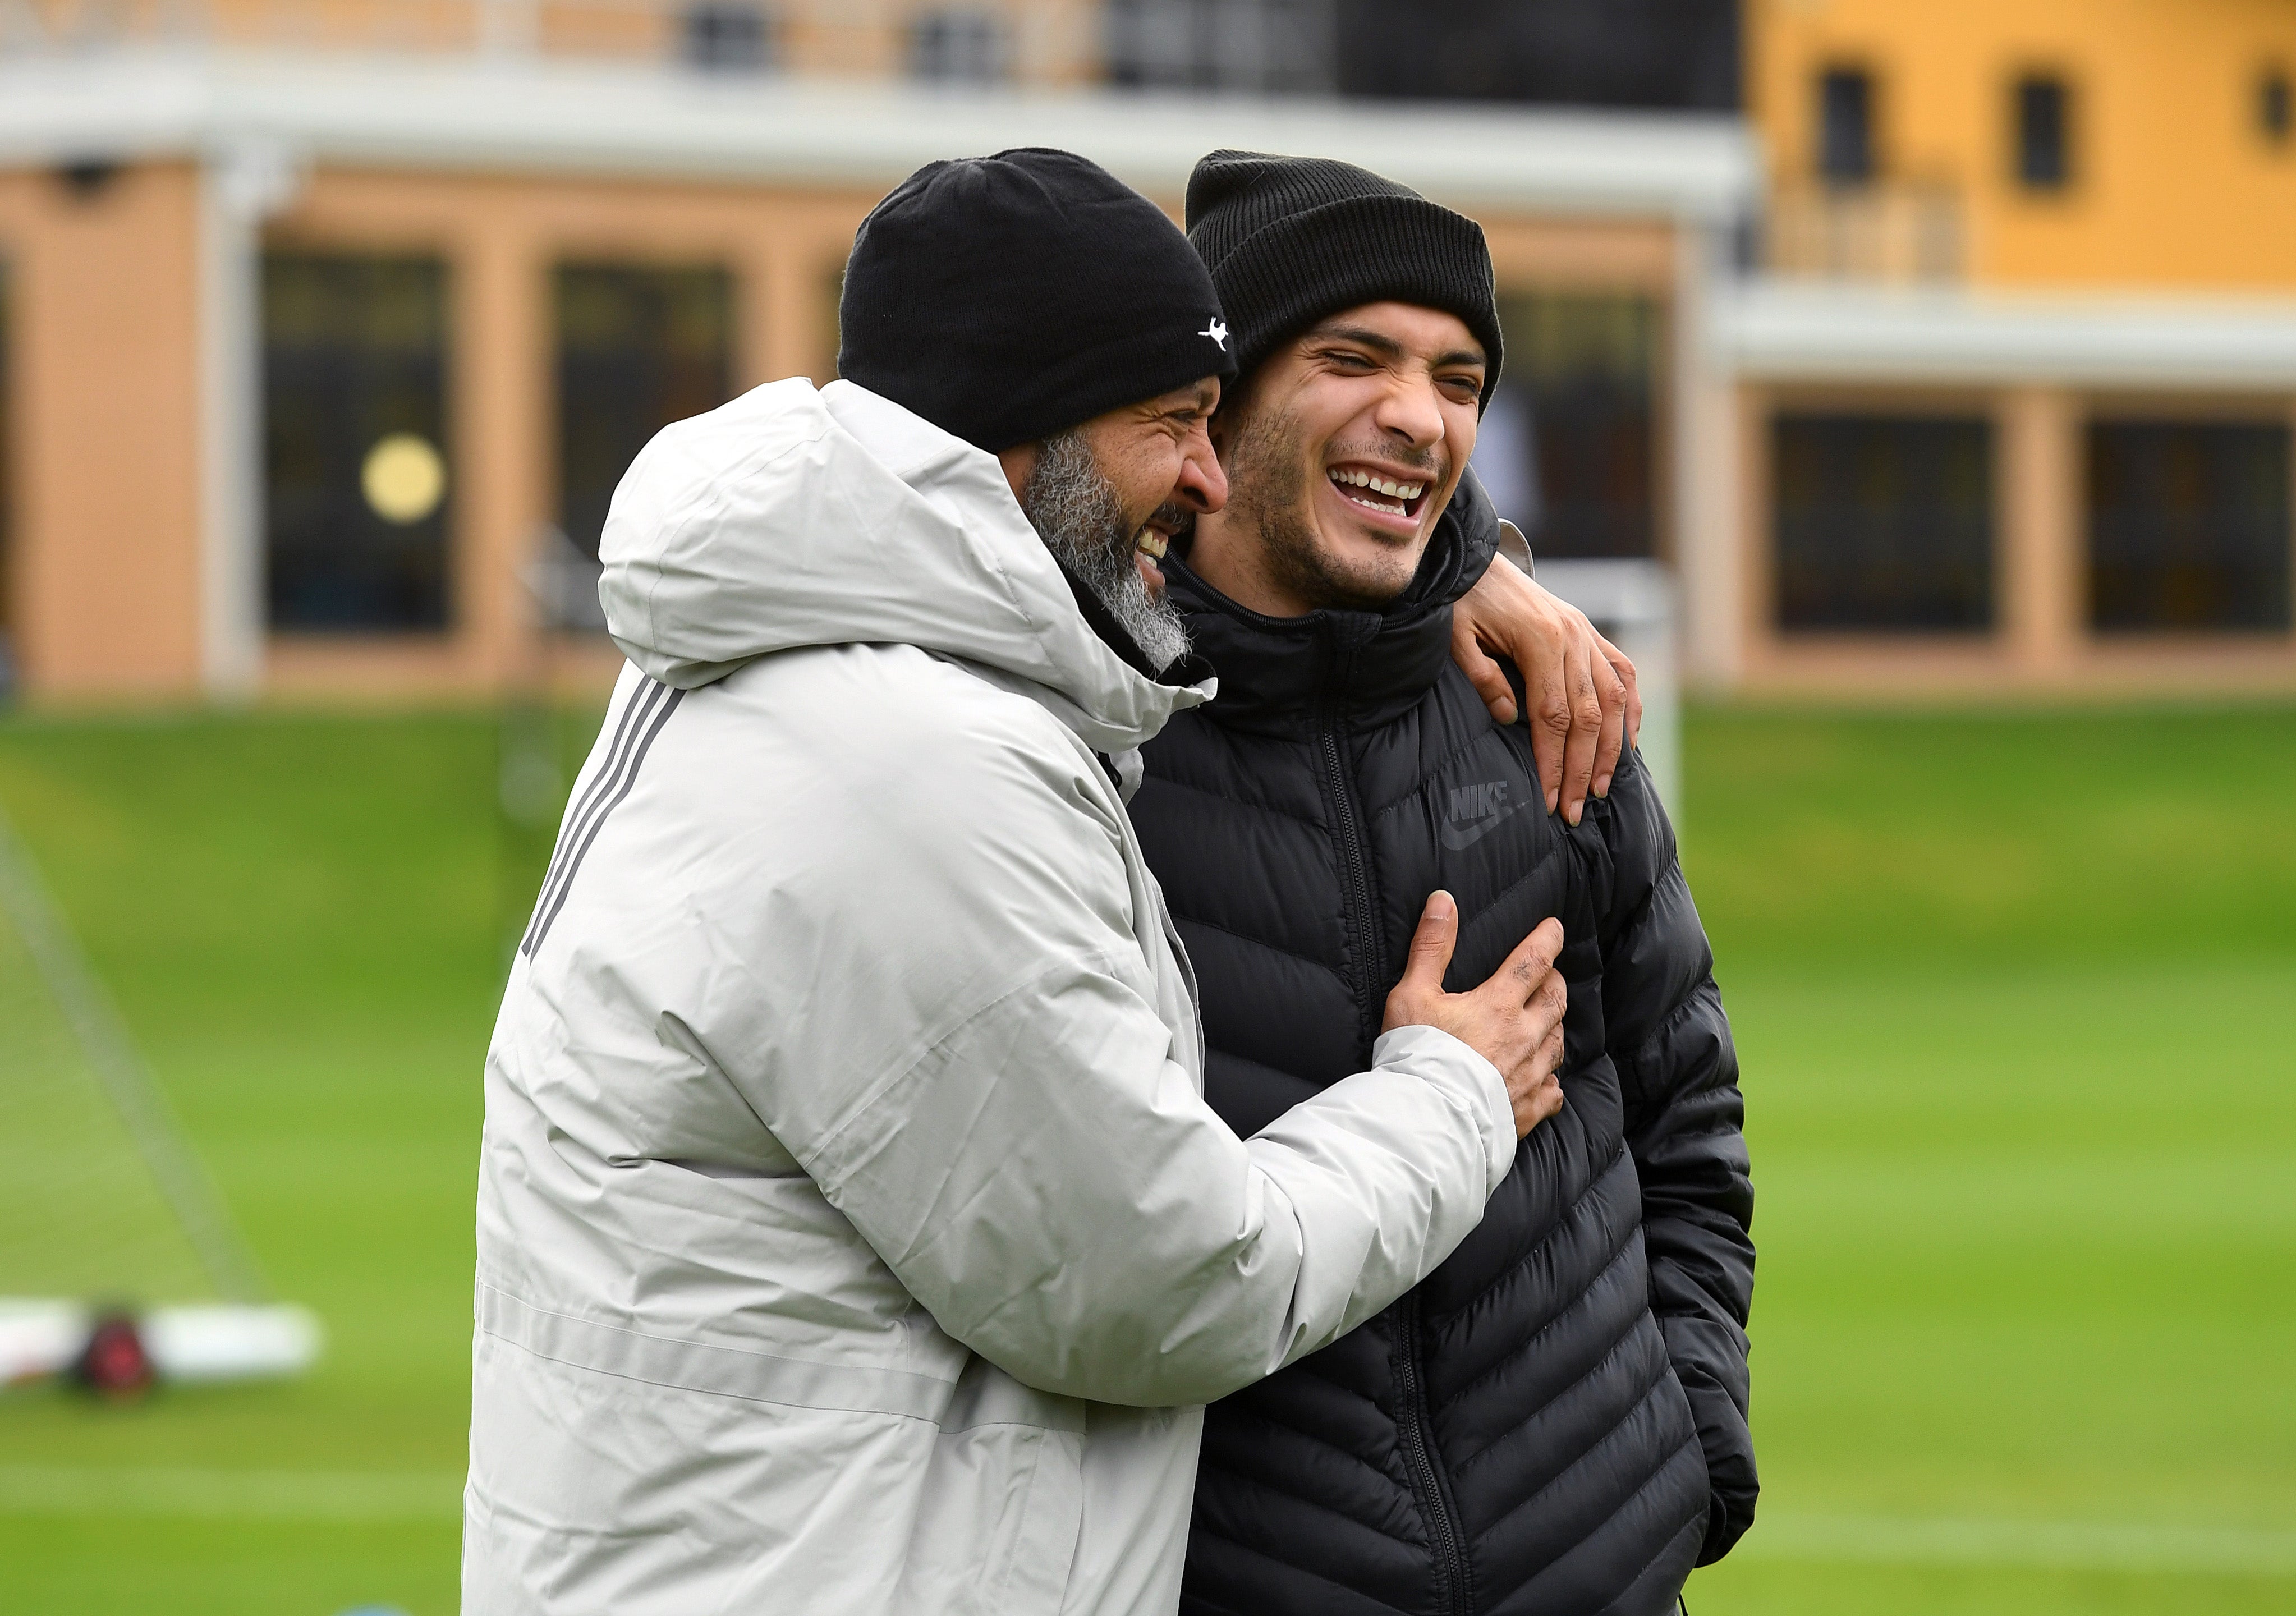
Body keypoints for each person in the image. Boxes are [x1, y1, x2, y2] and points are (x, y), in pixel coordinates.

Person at [463, 148, 1632, 1616]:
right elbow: (1162, 1286)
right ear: (1018, 442)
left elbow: (1683, 1122)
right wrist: (1449, 1092)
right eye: (1172, 424)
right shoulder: (905, 769)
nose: (1203, 479)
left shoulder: (804, 655)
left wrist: (1448, 567)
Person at [1127, 151, 1757, 1616]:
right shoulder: (1086, 758)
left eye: (1456, 374)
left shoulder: (1550, 717)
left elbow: (1686, 1110)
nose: (1417, 415)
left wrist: (1687, 1445)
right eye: (1353, 358)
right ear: (1212, 405)